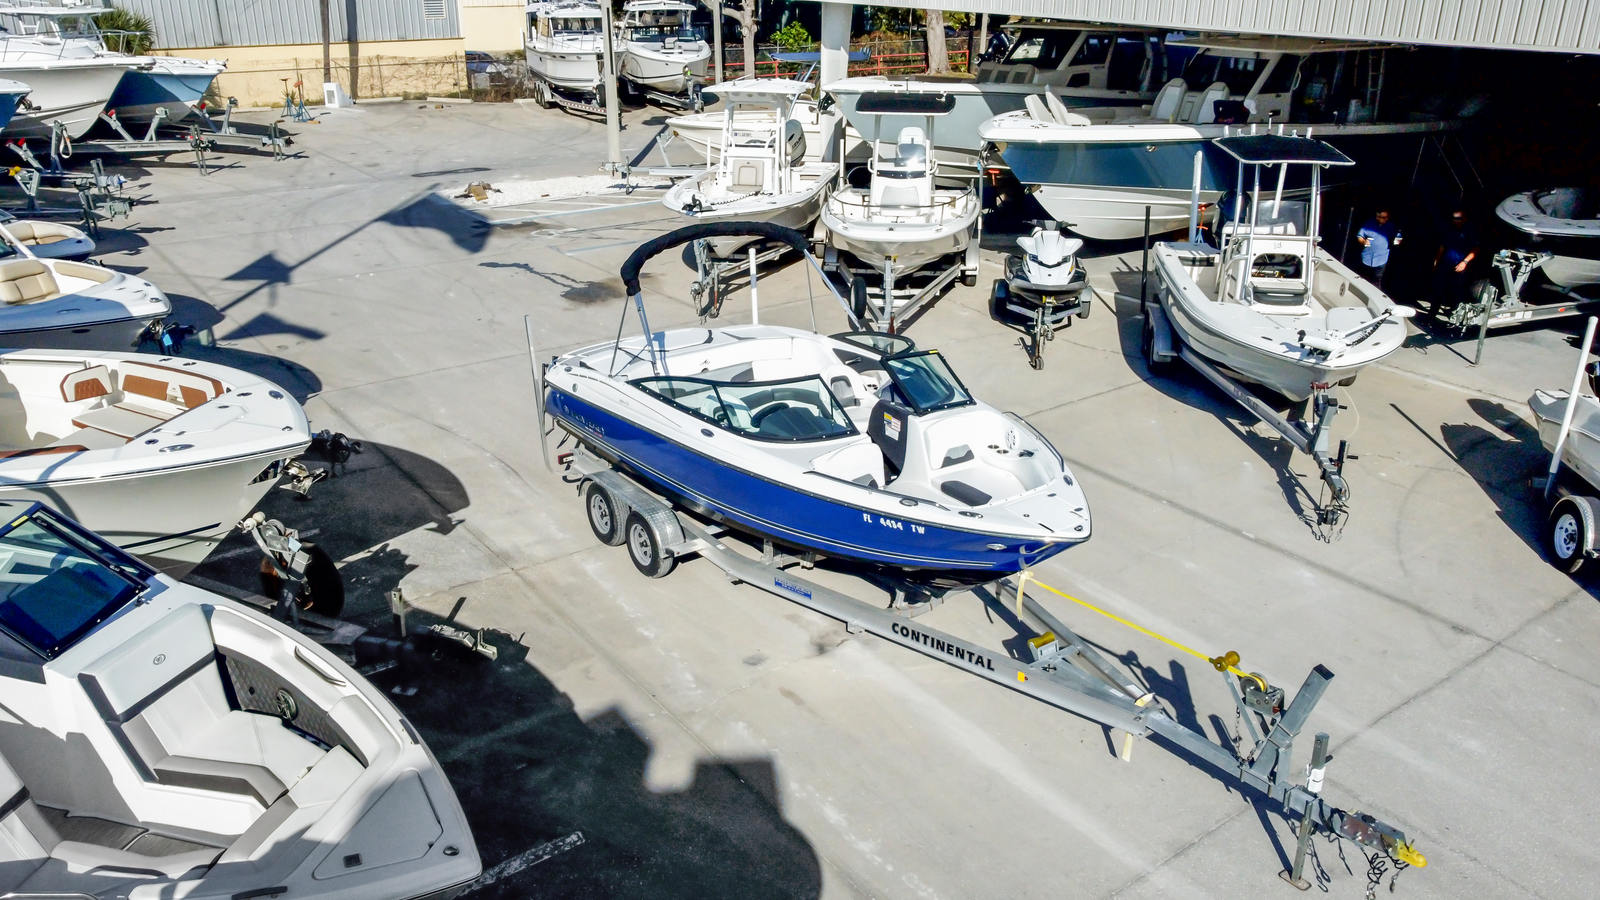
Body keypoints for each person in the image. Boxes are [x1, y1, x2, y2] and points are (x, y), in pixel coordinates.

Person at [1432, 209, 1479, 310]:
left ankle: (1453, 312)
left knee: (1456, 291)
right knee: (1438, 289)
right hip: (1445, 264)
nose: (1456, 220)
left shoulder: (1469, 232)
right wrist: (1437, 260)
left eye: (1458, 218)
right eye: (1454, 218)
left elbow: (1475, 249)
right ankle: (1432, 312)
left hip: (1460, 265)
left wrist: (1465, 262)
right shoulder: (1449, 230)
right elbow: (1442, 246)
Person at [1354, 208, 1401, 288]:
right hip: (1366, 258)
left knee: (1376, 282)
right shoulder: (1369, 224)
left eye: (1383, 217)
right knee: (1361, 280)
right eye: (1379, 217)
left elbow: (1398, 238)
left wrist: (1396, 243)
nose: (1381, 219)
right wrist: (1363, 241)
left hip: (1381, 260)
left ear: (1387, 218)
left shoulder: (1391, 227)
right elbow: (1360, 236)